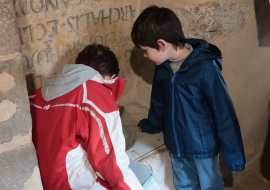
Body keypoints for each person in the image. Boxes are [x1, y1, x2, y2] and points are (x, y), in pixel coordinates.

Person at [131, 5, 246, 190]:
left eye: (145, 50)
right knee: (184, 185)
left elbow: (224, 112)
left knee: (210, 186)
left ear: (161, 44)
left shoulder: (205, 69)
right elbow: (159, 102)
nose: (144, 55)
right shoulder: (162, 69)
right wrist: (151, 125)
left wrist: (234, 156)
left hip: (203, 150)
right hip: (176, 147)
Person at [29, 44, 152, 190]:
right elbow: (112, 164)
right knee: (144, 173)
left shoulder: (38, 93)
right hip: (71, 183)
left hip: (42, 177)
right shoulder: (95, 96)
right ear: (111, 78)